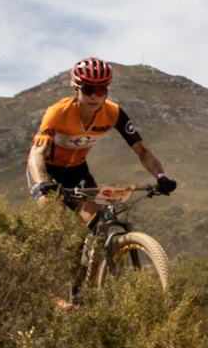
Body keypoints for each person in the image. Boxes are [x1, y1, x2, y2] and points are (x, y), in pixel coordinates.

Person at [27, 58, 176, 230]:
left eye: (100, 90)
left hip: (77, 171)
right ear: (76, 88)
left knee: (96, 223)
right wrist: (42, 182)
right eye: (88, 89)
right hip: (48, 169)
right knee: (56, 219)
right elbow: (36, 152)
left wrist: (161, 176)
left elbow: (142, 151)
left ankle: (90, 255)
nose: (94, 96)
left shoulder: (114, 113)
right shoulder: (57, 113)